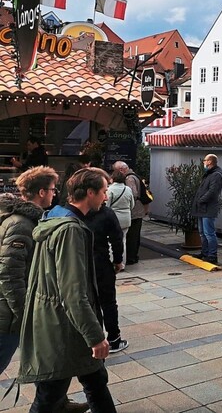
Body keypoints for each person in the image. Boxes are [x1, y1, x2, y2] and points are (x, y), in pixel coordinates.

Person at [19, 167, 116, 412]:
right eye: (104, 192)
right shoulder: (70, 230)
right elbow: (72, 292)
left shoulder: (53, 217)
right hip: (62, 330)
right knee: (49, 397)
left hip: (58, 323)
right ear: (90, 193)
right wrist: (95, 336)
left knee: (95, 382)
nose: (106, 197)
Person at [0, 167, 54, 374]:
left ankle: (55, 402)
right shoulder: (21, 224)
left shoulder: (25, 219)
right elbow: (9, 275)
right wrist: (25, 315)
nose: (54, 193)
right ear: (41, 192)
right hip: (8, 317)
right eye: (52, 189)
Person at [85, 196, 128, 353]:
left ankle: (89, 339)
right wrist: (118, 261)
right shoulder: (106, 213)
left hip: (79, 264)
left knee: (85, 302)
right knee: (108, 302)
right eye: (103, 191)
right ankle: (114, 339)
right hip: (101, 263)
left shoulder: (71, 213)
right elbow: (117, 239)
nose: (106, 196)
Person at [191, 154, 222, 264]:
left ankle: (212, 255)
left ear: (210, 162)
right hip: (202, 208)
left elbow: (213, 191)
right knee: (202, 232)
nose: (203, 162)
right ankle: (204, 253)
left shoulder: (216, 175)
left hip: (208, 208)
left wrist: (201, 200)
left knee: (209, 233)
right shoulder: (209, 174)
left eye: (204, 160)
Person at [113, 161, 147, 267]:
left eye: (116, 171)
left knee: (131, 236)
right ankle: (133, 256)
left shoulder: (129, 178)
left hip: (134, 212)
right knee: (135, 235)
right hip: (137, 211)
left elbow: (133, 194)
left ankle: (131, 258)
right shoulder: (134, 176)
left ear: (121, 170)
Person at [106, 170, 135, 270]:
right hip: (126, 218)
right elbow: (132, 205)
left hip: (113, 218)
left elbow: (107, 205)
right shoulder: (128, 189)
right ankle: (122, 263)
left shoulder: (110, 189)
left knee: (111, 242)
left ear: (113, 178)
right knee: (123, 240)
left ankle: (112, 262)